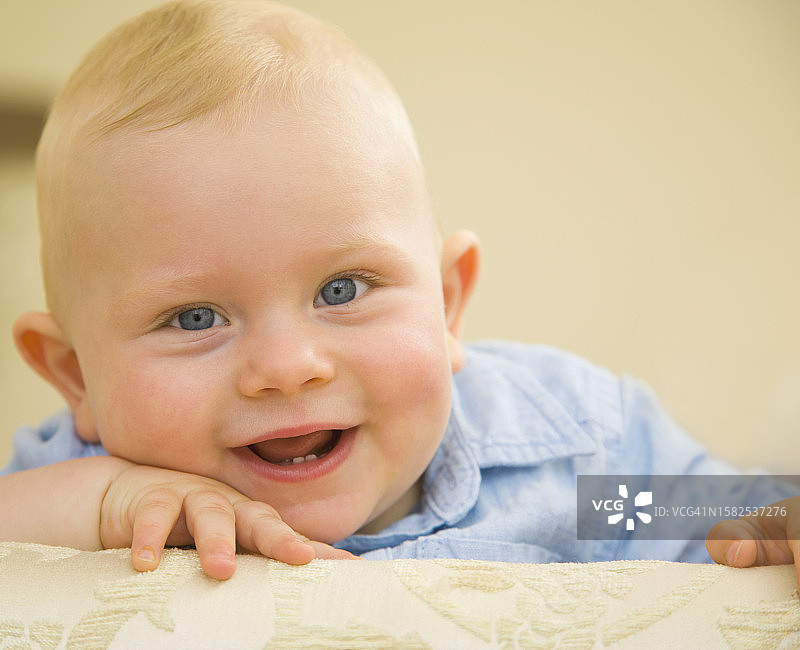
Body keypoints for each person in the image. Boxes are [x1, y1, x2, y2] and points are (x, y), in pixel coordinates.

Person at [1, 0, 798, 583]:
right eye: (195, 317)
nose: (287, 366)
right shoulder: (85, 474)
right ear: (76, 377)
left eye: (342, 288)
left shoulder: (569, 458)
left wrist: (768, 522)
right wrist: (109, 503)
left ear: (448, 304)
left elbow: (722, 519)